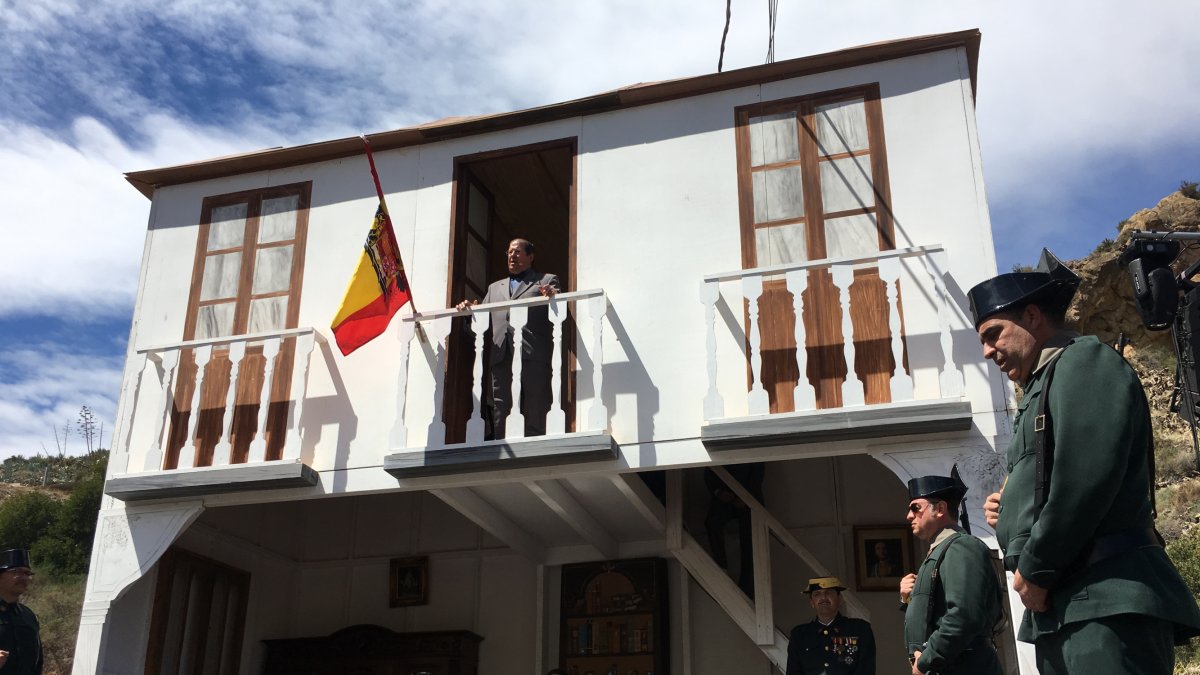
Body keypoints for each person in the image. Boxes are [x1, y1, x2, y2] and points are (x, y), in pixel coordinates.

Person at [973, 249, 1200, 674]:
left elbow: (1084, 480)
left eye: (993, 334)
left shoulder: (1082, 362)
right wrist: (1010, 508)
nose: (987, 351)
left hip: (1104, 597)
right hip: (1070, 601)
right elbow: (1053, 476)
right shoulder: (1046, 383)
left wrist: (1037, 569)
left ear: (1033, 316)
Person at [900, 469, 1003, 675]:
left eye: (915, 507)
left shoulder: (960, 547)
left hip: (963, 666)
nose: (909, 515)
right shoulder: (941, 549)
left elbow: (964, 615)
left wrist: (926, 660)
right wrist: (908, 599)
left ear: (939, 508)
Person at [457, 238, 560, 438]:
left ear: (530, 256)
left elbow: (559, 308)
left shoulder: (546, 280)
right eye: (509, 252)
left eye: (517, 252)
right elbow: (482, 322)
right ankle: (501, 442)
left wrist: (553, 295)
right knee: (502, 402)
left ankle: (534, 440)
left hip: (532, 352)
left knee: (534, 400)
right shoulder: (495, 288)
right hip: (501, 352)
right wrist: (468, 312)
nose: (512, 256)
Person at [786, 576, 875, 675]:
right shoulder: (799, 635)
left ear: (840, 599)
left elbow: (866, 671)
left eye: (829, 593)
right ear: (812, 602)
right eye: (817, 594)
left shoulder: (860, 629)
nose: (823, 598)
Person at [703, 463, 764, 596]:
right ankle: (721, 565)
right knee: (712, 522)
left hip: (749, 500)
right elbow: (708, 473)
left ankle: (748, 586)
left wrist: (746, 497)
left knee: (750, 541)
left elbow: (757, 474)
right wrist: (719, 492)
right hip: (724, 498)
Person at [0, 549, 42, 675]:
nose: (24, 577)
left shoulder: (28, 616)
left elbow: (37, 663)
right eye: (16, 572)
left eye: (27, 573)